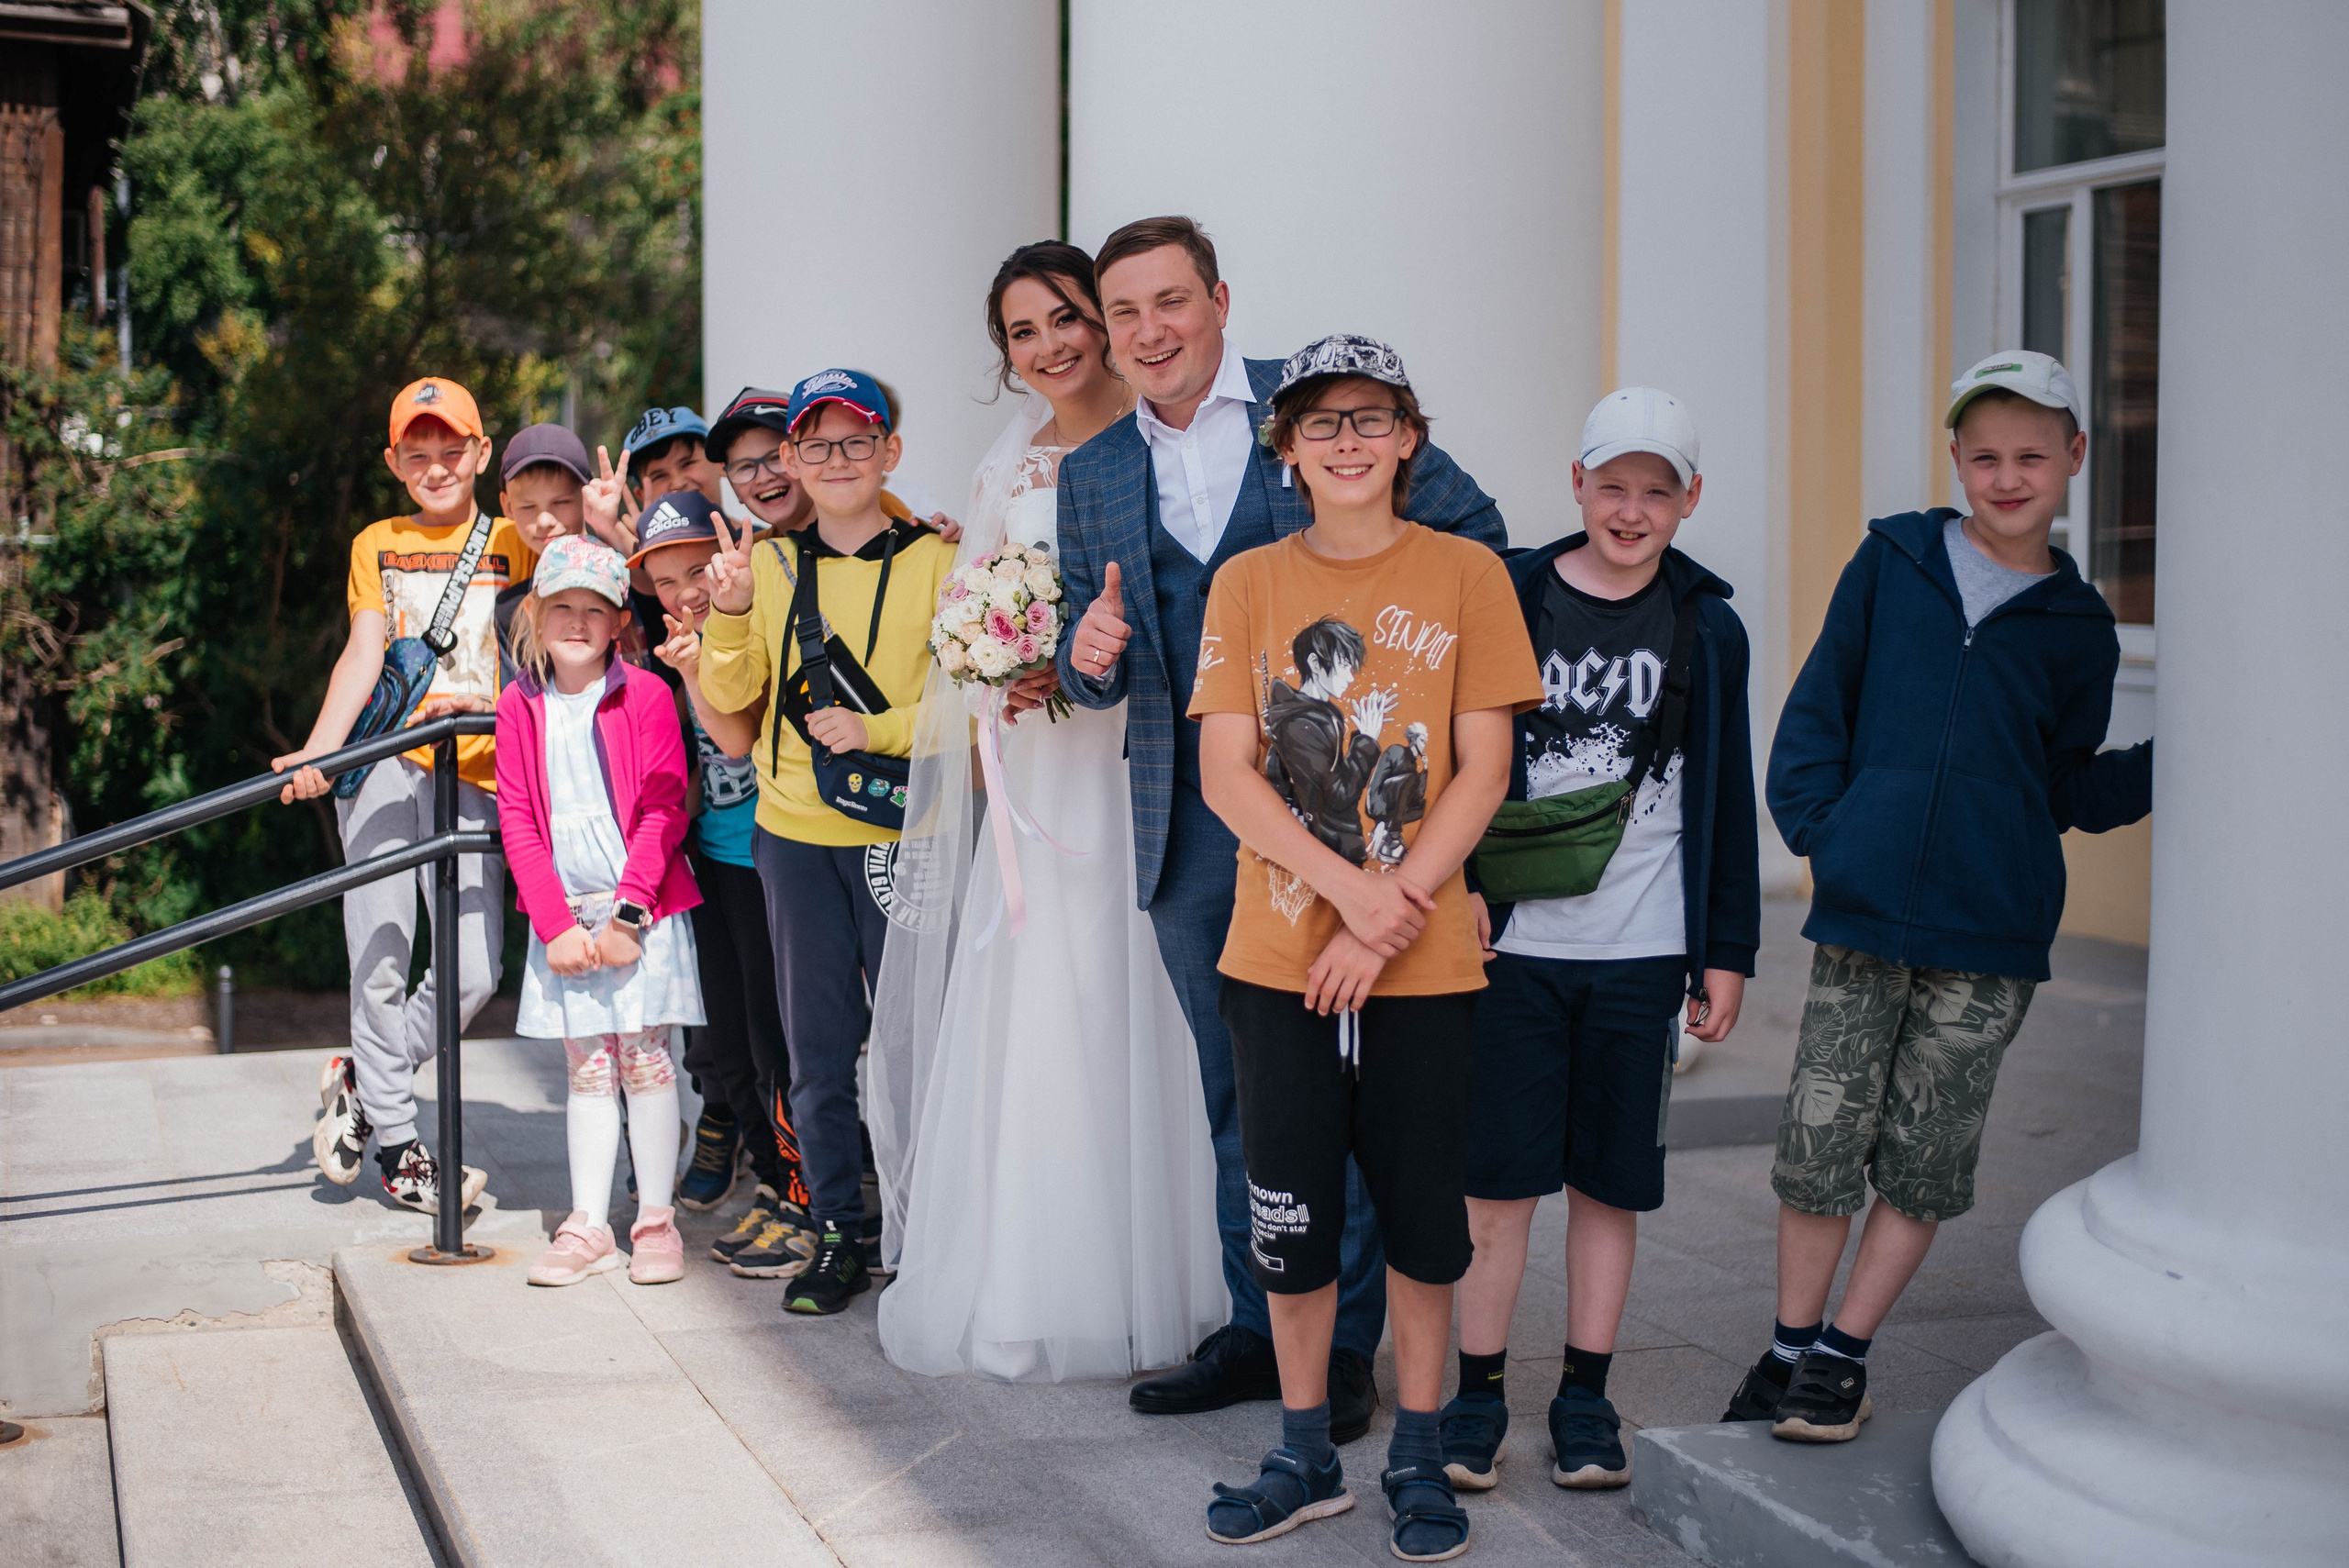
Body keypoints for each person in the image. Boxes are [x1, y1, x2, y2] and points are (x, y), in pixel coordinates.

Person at [1054, 217, 1508, 1442]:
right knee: (1242, 1091)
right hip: (1198, 819)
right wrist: (1082, 655)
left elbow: (1476, 532)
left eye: (1172, 303)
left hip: (1362, 812)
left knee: (1362, 1090)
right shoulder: (1091, 474)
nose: (1150, 332)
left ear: (1218, 301)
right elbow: (1081, 656)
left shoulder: (1320, 409)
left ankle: (1348, 1349)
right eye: (1127, 313)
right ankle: (1268, 1326)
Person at [1723, 350, 2154, 1441]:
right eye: (1986, 455)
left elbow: (2064, 786)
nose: (2007, 476)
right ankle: (1786, 1342)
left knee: (1922, 1156)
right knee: (1818, 1144)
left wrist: (2176, 755)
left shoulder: (2078, 627)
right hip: (1864, 914)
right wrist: (1830, 834)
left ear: (2073, 459)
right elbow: (1820, 707)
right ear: (1956, 456)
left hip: (1989, 931)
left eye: (2031, 456)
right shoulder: (1893, 559)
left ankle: (1841, 1355)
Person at [1188, 337, 1541, 1560]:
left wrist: (1396, 912)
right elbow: (1227, 772)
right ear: (1285, 449)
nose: (1347, 436)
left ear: (1409, 437)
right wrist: (1353, 897)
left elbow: (1485, 765)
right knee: (1285, 1214)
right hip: (1279, 951)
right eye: (1320, 420)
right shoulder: (1247, 584)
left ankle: (1420, 1449)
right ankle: (1301, 1451)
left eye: (1372, 415)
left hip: (1425, 958)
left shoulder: (1467, 573)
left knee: (1422, 1213)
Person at [870, 241, 1223, 1383]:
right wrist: (995, 666)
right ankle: (1049, 1282)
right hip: (1046, 763)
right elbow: (971, 607)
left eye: (1067, 317)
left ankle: (1194, 1278)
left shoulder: (1160, 446)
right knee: (1054, 993)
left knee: (1159, 997)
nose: (1051, 346)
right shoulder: (1006, 459)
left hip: (1149, 753)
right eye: (1024, 332)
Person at [1436, 389, 1760, 1496]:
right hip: (1514, 948)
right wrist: (1458, 886)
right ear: (1575, 484)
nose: (1630, 509)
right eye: (1611, 485)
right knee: (1496, 1188)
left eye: (1655, 490)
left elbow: (1724, 793)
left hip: (1643, 947)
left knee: (1610, 1186)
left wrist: (1727, 949)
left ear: (1688, 499)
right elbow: (1448, 753)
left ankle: (1585, 1393)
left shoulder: (1707, 626)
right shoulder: (1509, 595)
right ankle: (1477, 1392)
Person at [698, 368, 957, 1315]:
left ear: (890, 451)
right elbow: (730, 701)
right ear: (796, 461)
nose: (836, 460)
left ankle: (927, 1226)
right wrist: (725, 611)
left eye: (857, 442)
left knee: (913, 1043)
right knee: (817, 1047)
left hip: (906, 830)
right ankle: (842, 1226)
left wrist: (879, 729)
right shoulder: (766, 566)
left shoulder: (939, 561)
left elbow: (968, 710)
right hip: (794, 833)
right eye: (818, 445)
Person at [275, 377, 530, 1215]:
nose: (434, 466)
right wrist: (319, 749)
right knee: (381, 952)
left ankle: (359, 1073)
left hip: (481, 770)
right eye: (416, 453)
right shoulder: (374, 542)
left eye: (450, 449)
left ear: (482, 453)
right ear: (393, 461)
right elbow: (362, 652)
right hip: (388, 762)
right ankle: (397, 1143)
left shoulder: (515, 541)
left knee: (475, 969)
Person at [495, 534, 706, 1285]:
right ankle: (587, 1224)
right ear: (537, 612)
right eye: (563, 607)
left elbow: (662, 807)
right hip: (567, 922)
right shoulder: (519, 703)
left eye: (595, 609)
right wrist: (554, 925)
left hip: (636, 916)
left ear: (620, 620)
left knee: (647, 1061)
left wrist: (627, 918)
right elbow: (517, 816)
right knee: (587, 1068)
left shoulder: (645, 693)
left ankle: (655, 1220)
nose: (577, 622)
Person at [631, 489, 818, 1273]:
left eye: (697, 569)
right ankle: (777, 1188)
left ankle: (806, 1198)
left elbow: (738, 747)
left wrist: (701, 665)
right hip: (710, 864)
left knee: (782, 1040)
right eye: (666, 580)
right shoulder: (667, 644)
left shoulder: (755, 623)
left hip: (775, 854)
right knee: (733, 1044)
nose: (686, 592)